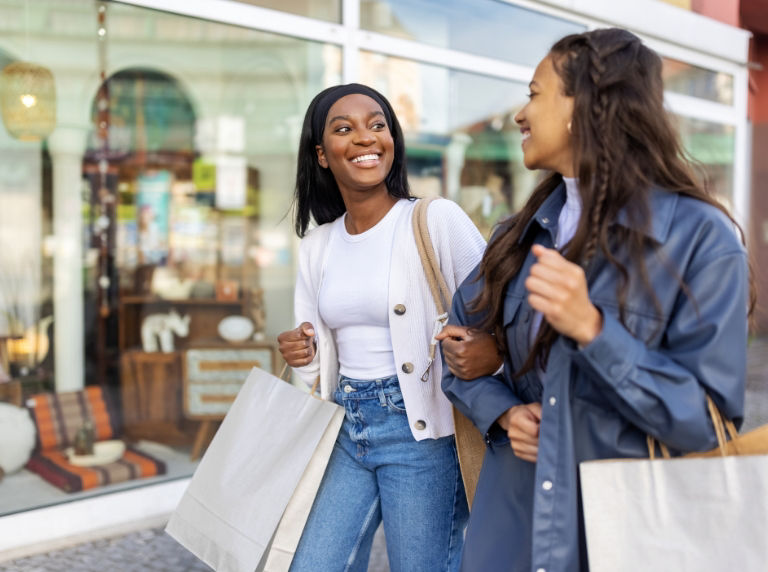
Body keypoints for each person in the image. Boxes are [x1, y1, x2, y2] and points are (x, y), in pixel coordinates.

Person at [439, 28, 754, 572]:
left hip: (627, 534)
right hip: (513, 527)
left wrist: (593, 329)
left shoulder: (701, 239)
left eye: (535, 94)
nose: (519, 113)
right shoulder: (518, 237)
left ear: (583, 104)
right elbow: (456, 354)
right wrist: (504, 412)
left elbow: (707, 423)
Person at [277, 83, 486, 572]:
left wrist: (485, 350)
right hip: (347, 426)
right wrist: (301, 354)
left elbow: (498, 309)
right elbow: (313, 361)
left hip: (421, 432)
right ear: (322, 155)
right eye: (344, 129)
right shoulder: (318, 245)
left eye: (377, 125)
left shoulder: (434, 220)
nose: (366, 139)